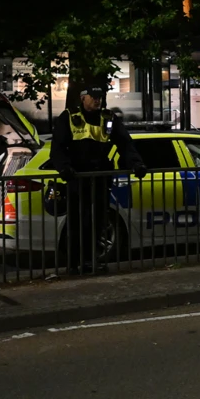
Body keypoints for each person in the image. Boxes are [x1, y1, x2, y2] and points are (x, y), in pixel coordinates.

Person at [50, 85, 147, 274]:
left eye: (100, 97)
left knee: (97, 222)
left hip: (101, 178)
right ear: (82, 97)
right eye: (93, 97)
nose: (97, 100)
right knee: (76, 223)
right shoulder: (69, 117)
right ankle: (72, 264)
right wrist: (64, 167)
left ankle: (90, 261)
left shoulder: (108, 118)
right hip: (77, 179)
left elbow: (125, 144)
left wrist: (136, 164)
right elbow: (58, 147)